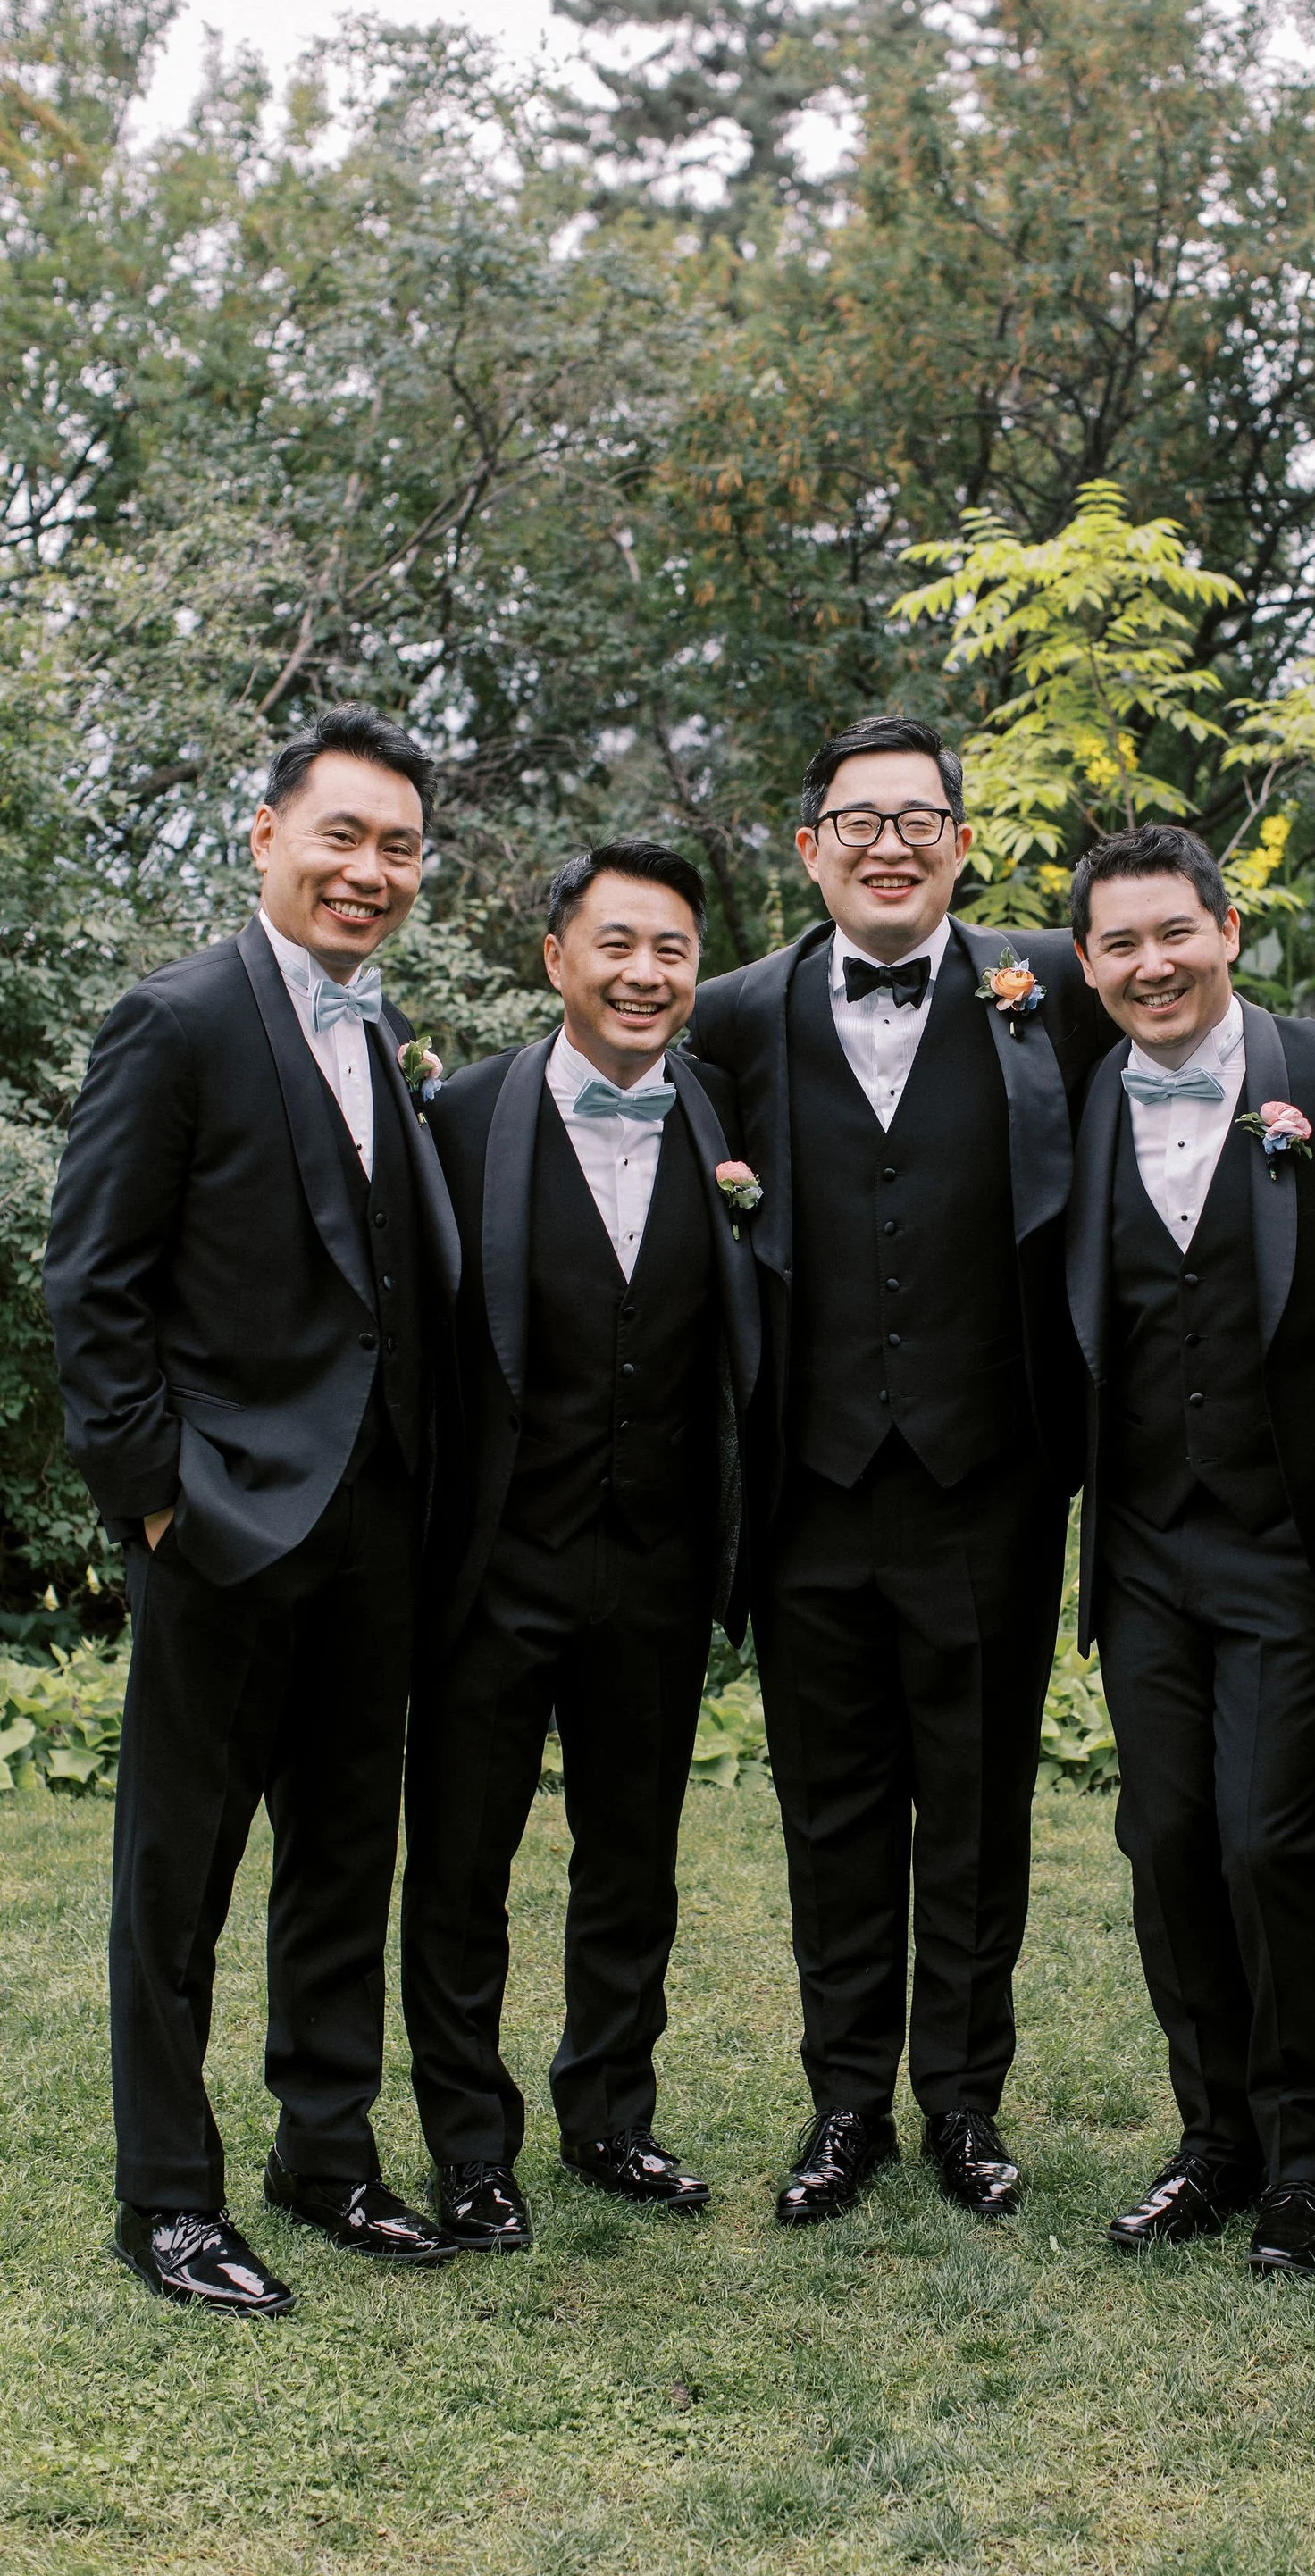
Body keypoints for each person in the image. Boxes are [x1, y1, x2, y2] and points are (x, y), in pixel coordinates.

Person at [44, 703, 461, 2317]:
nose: (371, 870)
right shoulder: (179, 1018)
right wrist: (158, 1503)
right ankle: (166, 2197)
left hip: (375, 1531)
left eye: (400, 847)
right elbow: (95, 1287)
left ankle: (325, 2151)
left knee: (347, 1849)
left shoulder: (379, 1025)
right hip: (219, 1526)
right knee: (180, 1871)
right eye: (343, 835)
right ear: (266, 834)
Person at [688, 714, 1114, 2223]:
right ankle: (844, 2101)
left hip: (988, 1481)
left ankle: (964, 2101)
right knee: (833, 1806)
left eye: (917, 819)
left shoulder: (1047, 990)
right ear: (808, 848)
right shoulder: (731, 1014)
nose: (887, 844)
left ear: (961, 843)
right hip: (808, 1488)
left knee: (980, 1803)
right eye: (855, 820)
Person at [399, 841, 759, 2248]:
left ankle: (611, 2113)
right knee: (462, 1865)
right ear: (557, 960)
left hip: (656, 1565)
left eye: (671, 948)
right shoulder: (462, 1115)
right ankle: (470, 2145)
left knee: (634, 1857)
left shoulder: (720, 1116)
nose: (644, 973)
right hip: (495, 1563)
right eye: (616, 944)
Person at [1066, 824, 1315, 2278]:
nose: (1151, 963)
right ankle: (1215, 2139)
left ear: (1229, 928)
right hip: (1137, 1547)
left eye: (1173, 931)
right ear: (1086, 965)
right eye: (1118, 943)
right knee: (1165, 1839)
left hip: (1287, 1544)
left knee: (1269, 1842)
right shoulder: (1060, 1093)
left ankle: (1310, 2159)